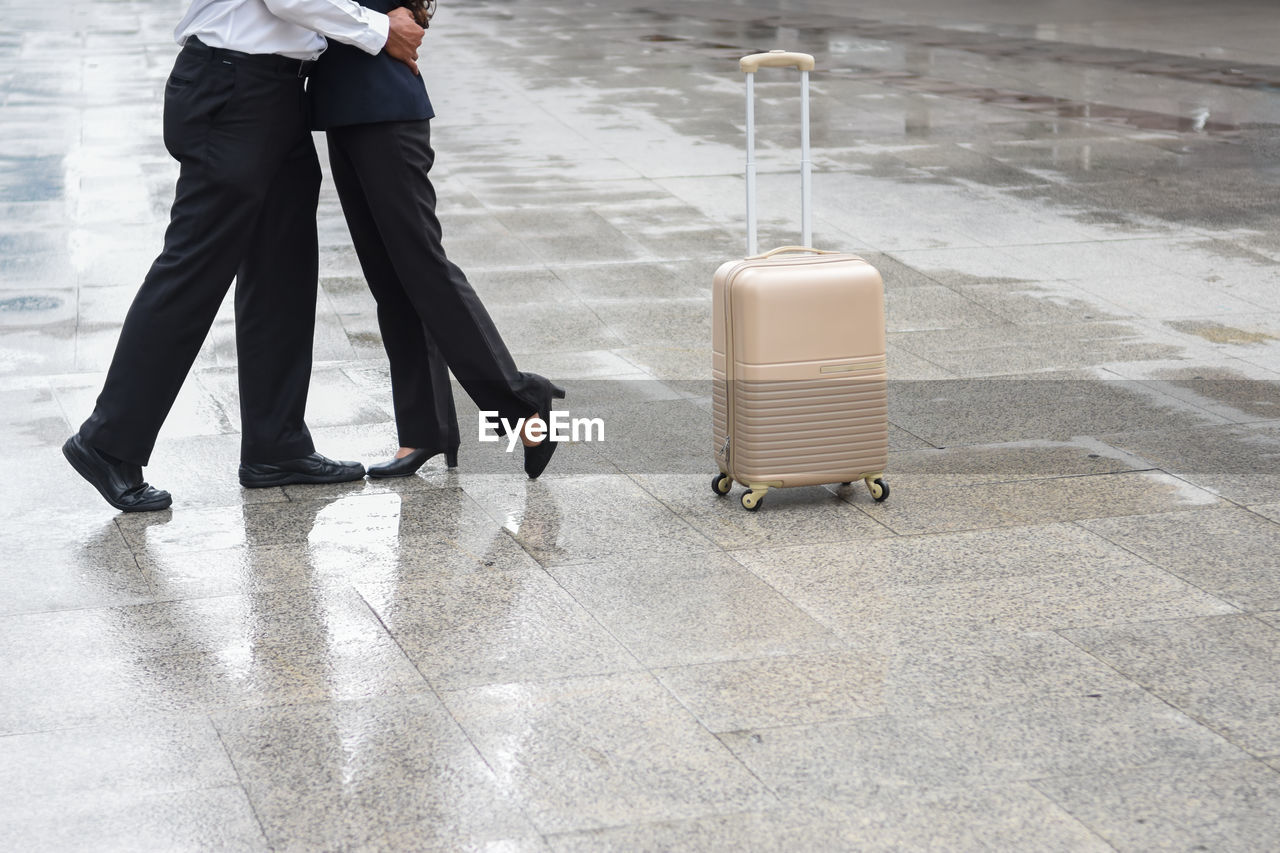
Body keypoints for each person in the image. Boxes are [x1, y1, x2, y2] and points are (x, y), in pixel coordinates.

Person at [63, 0, 428, 512]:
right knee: (194, 270)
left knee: (284, 268)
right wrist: (377, 27)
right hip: (233, 88)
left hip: (273, 91)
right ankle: (107, 441)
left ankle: (276, 446)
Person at [307, 0, 565, 481]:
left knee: (423, 266)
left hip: (384, 108)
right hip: (349, 108)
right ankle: (425, 429)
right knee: (391, 279)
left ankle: (520, 398)